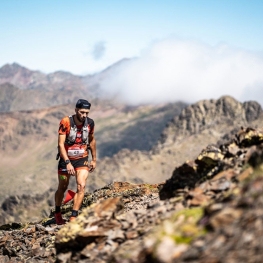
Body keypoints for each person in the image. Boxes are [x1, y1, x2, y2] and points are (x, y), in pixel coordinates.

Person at [54, 99, 96, 224]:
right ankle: (57, 212)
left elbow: (92, 140)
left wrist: (94, 159)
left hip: (82, 158)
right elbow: (61, 145)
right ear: (76, 110)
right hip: (66, 160)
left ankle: (73, 217)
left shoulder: (90, 123)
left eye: (87, 113)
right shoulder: (66, 122)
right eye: (82, 112)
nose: (84, 115)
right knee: (63, 186)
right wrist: (67, 163)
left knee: (81, 186)